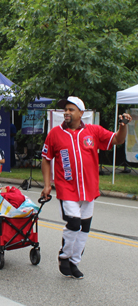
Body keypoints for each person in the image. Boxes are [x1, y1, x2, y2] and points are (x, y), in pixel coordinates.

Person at [41, 96, 130, 279]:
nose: (66, 112)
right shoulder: (55, 134)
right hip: (67, 188)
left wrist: (123, 126)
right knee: (74, 223)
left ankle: (74, 262)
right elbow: (46, 158)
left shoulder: (93, 131)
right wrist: (47, 185)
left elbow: (117, 140)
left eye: (71, 109)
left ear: (81, 113)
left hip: (88, 189)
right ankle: (64, 256)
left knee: (84, 228)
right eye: (65, 109)